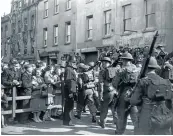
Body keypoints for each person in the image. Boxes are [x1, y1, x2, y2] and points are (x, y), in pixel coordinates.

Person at [130, 57, 173, 135]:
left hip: (146, 117)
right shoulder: (166, 81)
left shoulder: (143, 81)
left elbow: (133, 101)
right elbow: (170, 101)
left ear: (144, 68)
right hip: (164, 117)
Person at [112, 52, 139, 134]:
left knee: (122, 116)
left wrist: (117, 75)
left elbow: (114, 84)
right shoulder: (137, 69)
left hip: (123, 94)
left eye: (123, 60)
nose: (122, 62)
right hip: (135, 94)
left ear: (123, 60)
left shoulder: (120, 70)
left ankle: (120, 132)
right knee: (135, 117)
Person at [97, 57, 118, 128]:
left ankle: (102, 122)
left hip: (106, 92)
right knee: (114, 108)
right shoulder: (114, 70)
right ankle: (117, 122)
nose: (103, 64)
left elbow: (101, 83)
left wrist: (100, 95)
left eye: (104, 62)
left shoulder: (102, 72)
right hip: (114, 91)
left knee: (104, 108)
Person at [63, 55, 77, 126]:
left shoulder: (69, 69)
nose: (74, 63)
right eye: (73, 62)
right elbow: (69, 81)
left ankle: (68, 121)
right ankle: (68, 121)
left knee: (69, 105)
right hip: (69, 89)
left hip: (70, 89)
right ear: (70, 62)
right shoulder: (69, 69)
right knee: (69, 106)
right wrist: (71, 91)